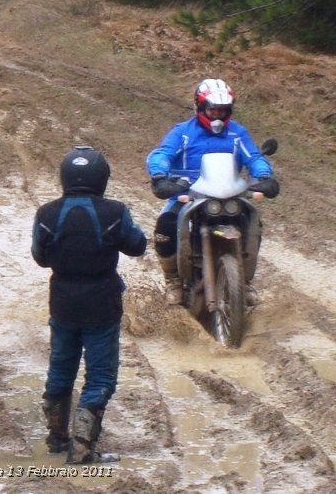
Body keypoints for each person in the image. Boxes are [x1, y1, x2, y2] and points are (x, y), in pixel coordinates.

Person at [31, 146, 147, 463]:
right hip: (102, 302)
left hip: (63, 301)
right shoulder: (115, 211)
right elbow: (137, 246)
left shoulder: (46, 213)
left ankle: (56, 440)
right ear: (101, 178)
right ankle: (82, 449)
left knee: (61, 368)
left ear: (65, 177)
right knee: (100, 377)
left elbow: (40, 258)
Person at [146, 78, 278, 305]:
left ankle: (244, 282)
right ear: (200, 107)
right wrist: (159, 175)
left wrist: (264, 176)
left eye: (223, 110)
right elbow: (162, 154)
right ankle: (173, 280)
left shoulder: (237, 133)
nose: (217, 115)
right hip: (188, 195)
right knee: (166, 224)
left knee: (253, 223)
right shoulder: (183, 133)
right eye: (213, 109)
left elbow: (254, 157)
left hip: (229, 196)